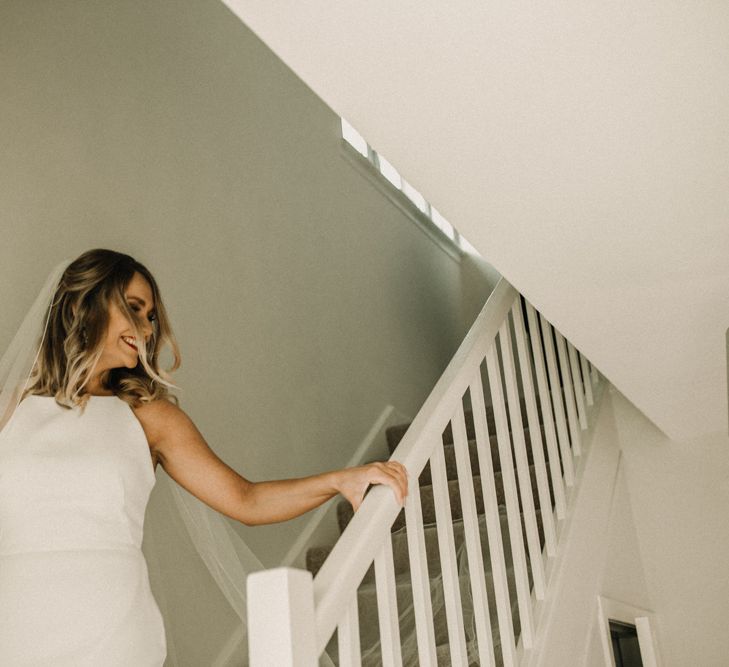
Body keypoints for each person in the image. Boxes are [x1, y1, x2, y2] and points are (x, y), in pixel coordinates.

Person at [0, 248, 408, 665]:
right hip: (15, 620)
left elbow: (246, 500)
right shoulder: (9, 411)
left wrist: (338, 480)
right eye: (135, 308)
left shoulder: (151, 418)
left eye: (150, 316)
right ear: (83, 305)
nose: (145, 328)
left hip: (111, 626)